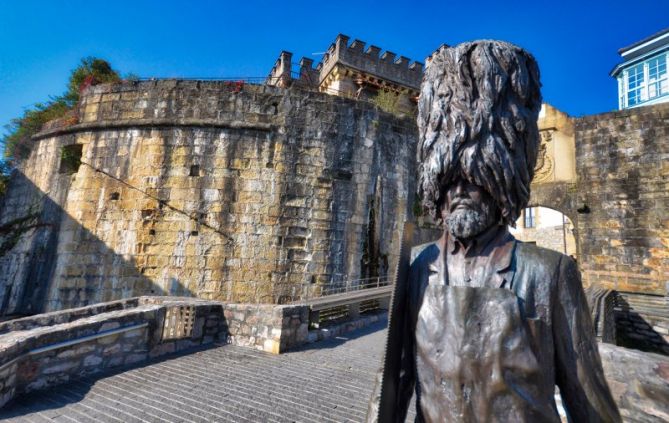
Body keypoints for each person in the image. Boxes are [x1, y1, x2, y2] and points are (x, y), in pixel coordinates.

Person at [373, 40, 621, 422]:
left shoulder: (550, 274)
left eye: (474, 178)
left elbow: (586, 399)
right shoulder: (420, 266)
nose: (459, 192)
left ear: (503, 178)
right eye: (449, 178)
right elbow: (398, 379)